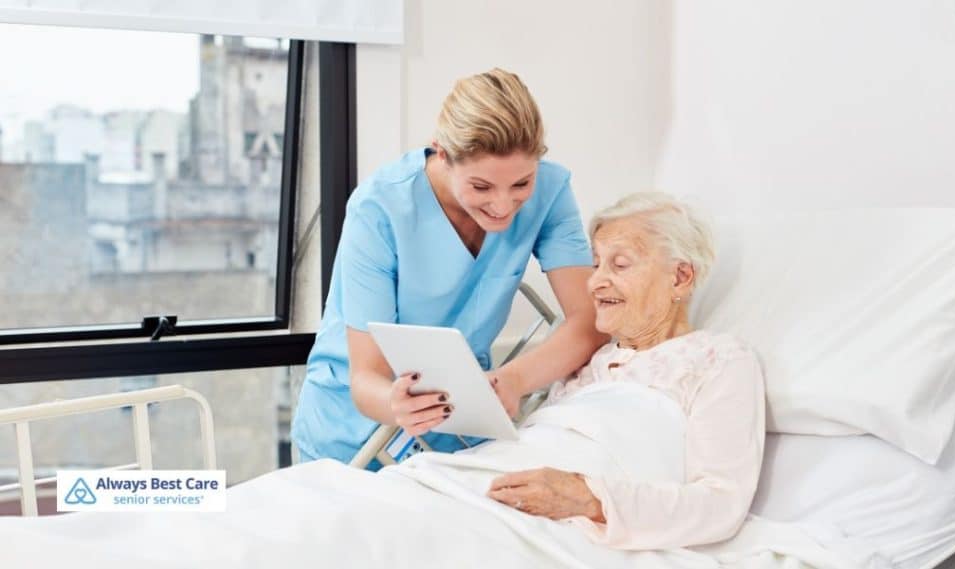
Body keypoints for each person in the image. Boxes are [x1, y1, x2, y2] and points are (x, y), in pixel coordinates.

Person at [292, 68, 607, 466]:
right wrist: (395, 404)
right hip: (349, 430)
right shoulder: (379, 209)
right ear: (442, 153)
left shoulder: (550, 192)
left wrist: (515, 379)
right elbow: (364, 377)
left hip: (459, 426)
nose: (503, 206)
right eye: (481, 187)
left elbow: (589, 322)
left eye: (521, 184)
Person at [480, 192, 767, 548]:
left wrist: (589, 498)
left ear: (679, 277)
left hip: (565, 526)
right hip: (489, 482)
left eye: (619, 265)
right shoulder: (589, 359)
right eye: (596, 263)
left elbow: (721, 503)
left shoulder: (718, 360)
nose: (595, 282)